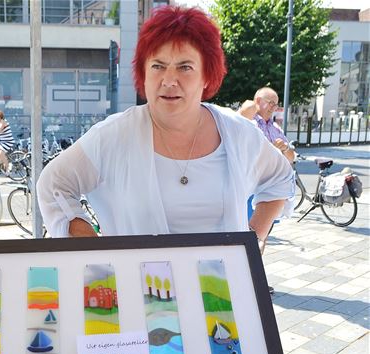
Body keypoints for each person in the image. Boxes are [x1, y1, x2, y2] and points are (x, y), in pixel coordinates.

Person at [37, 6, 294, 249]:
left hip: (222, 292)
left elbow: (279, 177)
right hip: (137, 291)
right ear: (144, 74)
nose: (169, 80)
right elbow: (53, 185)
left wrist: (252, 240)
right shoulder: (114, 136)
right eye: (158, 66)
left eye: (185, 67)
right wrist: (93, 248)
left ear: (207, 76)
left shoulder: (238, 133)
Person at [238, 87, 296, 163]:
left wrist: (285, 149)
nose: (274, 108)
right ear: (258, 101)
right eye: (271, 103)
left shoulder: (276, 127)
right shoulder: (248, 121)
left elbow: (292, 159)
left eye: (276, 105)